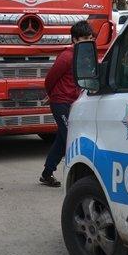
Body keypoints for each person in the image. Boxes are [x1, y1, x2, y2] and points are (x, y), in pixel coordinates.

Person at [39, 20, 95, 187]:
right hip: (60, 103)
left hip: (75, 103)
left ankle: (47, 173)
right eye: (85, 38)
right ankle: (78, 179)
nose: (89, 41)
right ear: (75, 40)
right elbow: (50, 79)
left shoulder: (86, 56)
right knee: (70, 138)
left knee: (62, 139)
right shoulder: (66, 57)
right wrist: (51, 95)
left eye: (91, 37)